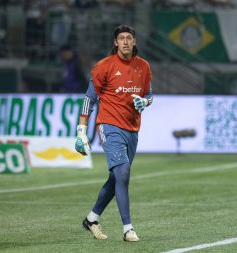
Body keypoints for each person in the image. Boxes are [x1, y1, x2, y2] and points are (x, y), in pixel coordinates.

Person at [74, 24, 153, 242]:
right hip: (109, 125)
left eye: (129, 38)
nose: (126, 41)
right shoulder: (105, 66)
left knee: (116, 176)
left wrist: (145, 101)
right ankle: (128, 228)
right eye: (121, 38)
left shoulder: (143, 67)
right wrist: (81, 132)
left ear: (134, 41)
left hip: (132, 128)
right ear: (115, 42)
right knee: (124, 172)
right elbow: (89, 99)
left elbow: (150, 94)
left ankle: (91, 219)